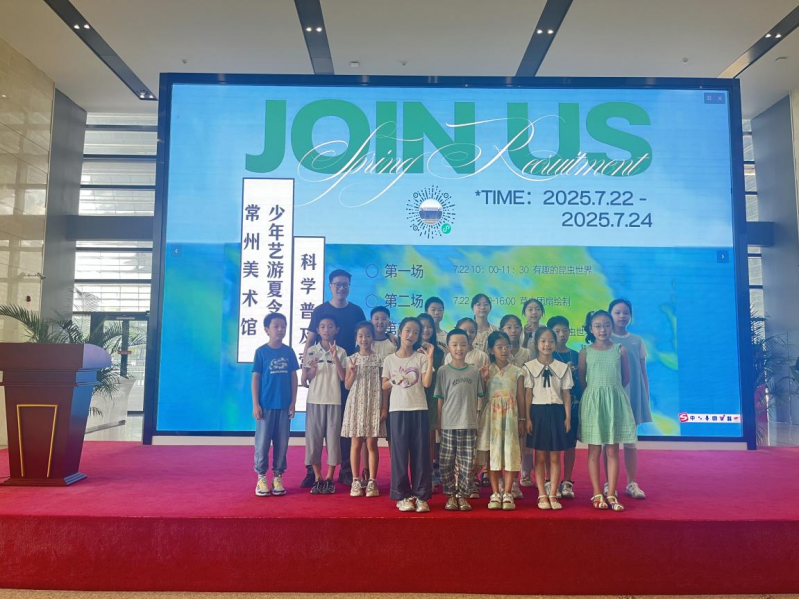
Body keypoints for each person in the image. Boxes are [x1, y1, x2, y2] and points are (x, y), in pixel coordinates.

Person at [302, 269, 366, 488]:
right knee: (315, 431)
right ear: (330, 286)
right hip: (323, 374)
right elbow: (310, 341)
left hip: (347, 373)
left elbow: (363, 338)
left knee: (344, 425)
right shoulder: (320, 310)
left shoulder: (356, 311)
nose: (341, 288)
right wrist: (304, 370)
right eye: (337, 284)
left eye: (345, 284)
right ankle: (312, 473)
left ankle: (346, 471)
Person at [578, 310, 637, 512]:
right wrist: (595, 394)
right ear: (590, 329)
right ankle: (596, 492)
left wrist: (611, 393)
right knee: (594, 450)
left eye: (606, 325)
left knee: (612, 450)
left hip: (614, 402)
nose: (602, 329)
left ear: (612, 327)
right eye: (597, 326)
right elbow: (582, 379)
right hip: (593, 403)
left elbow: (626, 378)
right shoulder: (585, 352)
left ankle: (611, 492)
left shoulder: (620, 350)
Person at [382, 317, 435, 513]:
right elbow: (384, 385)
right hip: (397, 410)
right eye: (408, 330)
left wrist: (430, 358)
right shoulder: (390, 359)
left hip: (418, 408)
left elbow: (427, 383)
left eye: (415, 332)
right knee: (400, 455)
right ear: (400, 332)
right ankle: (402, 496)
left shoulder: (420, 358)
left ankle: (421, 497)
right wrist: (395, 379)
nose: (411, 335)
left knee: (421, 455)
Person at [435, 328, 485, 512]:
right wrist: (438, 422)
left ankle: (462, 495)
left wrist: (485, 379)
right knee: (446, 461)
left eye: (463, 344)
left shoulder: (474, 371)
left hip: (469, 423)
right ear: (448, 347)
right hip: (448, 423)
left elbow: (480, 395)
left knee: (466, 462)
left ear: (469, 346)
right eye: (454, 345)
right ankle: (450, 495)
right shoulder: (443, 371)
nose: (459, 348)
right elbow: (440, 399)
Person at [524, 327, 573, 511]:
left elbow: (566, 394)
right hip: (538, 412)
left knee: (555, 456)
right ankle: (541, 494)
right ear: (536, 343)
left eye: (551, 341)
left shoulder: (562, 367)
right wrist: (527, 418)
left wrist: (567, 417)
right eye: (543, 341)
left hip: (557, 412)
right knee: (540, 456)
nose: (547, 345)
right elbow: (528, 394)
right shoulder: (529, 367)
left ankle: (552, 493)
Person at [252, 313, 299, 497]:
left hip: (284, 406)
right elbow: (256, 378)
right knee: (262, 443)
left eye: (283, 326)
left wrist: (293, 402)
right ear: (267, 330)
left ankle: (278, 476)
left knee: (282, 444)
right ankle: (261, 477)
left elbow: (293, 377)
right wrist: (256, 404)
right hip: (265, 406)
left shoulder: (289, 352)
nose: (280, 330)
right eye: (276, 326)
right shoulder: (261, 352)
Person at [609, 298, 651, 500]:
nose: (621, 316)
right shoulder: (605, 340)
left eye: (625, 312)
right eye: (617, 312)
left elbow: (642, 372)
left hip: (632, 395)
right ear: (610, 315)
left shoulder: (637, 341)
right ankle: (609, 483)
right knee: (610, 443)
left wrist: (645, 396)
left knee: (630, 442)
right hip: (611, 397)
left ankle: (631, 483)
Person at [478, 331, 524, 510]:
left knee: (511, 452)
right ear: (491, 350)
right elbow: (481, 395)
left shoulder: (518, 371)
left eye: (507, 346)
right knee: (493, 454)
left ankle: (508, 492)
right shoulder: (487, 370)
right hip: (492, 417)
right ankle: (495, 492)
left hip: (511, 416)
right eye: (499, 347)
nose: (504, 350)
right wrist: (483, 380)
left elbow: (521, 398)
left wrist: (522, 419)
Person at [303, 316, 346, 494]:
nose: (326, 330)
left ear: (336, 329)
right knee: (314, 441)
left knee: (333, 441)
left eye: (330, 326)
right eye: (322, 326)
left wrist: (335, 358)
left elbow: (343, 377)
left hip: (334, 400)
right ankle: (318, 477)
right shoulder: (312, 351)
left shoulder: (341, 352)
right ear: (318, 330)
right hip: (314, 400)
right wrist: (312, 369)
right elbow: (307, 378)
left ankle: (329, 478)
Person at [342, 321, 385, 498]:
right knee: (356, 444)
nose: (364, 339)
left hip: (374, 404)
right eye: (360, 336)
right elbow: (347, 385)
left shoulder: (380, 359)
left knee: (372, 444)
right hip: (356, 404)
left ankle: (372, 481)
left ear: (372, 337)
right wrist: (352, 372)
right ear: (356, 338)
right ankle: (355, 481)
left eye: (367, 335)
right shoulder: (351, 359)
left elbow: (384, 386)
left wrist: (384, 408)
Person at [548, 315, 581, 500]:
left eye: (565, 330)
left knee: (570, 444)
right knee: (549, 445)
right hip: (552, 406)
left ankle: (567, 481)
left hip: (573, 406)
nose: (562, 334)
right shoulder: (547, 355)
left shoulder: (576, 355)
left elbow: (582, 381)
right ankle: (549, 480)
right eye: (557, 331)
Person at [418, 312, 445, 492]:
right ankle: (417, 473)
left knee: (429, 437)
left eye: (429, 326)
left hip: (431, 396)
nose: (426, 330)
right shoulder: (410, 349)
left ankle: (429, 471)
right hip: (413, 396)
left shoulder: (439, 352)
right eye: (422, 327)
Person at [520, 298, 544, 486]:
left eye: (537, 309)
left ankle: (543, 473)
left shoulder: (546, 331)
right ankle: (525, 472)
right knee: (526, 433)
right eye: (530, 309)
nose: (534, 312)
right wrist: (526, 336)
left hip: (544, 383)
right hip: (526, 382)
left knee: (541, 430)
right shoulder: (520, 332)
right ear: (524, 312)